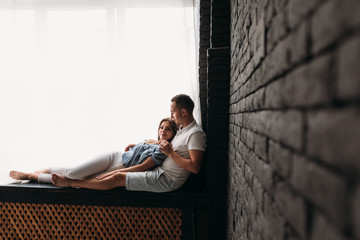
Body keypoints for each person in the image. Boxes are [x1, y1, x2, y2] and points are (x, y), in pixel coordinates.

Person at [52, 94, 207, 192]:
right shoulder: (182, 130)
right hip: (159, 171)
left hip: (167, 180)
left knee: (117, 177)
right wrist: (151, 142)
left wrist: (171, 153)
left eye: (173, 112)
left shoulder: (195, 134)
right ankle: (68, 180)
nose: (171, 116)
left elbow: (194, 167)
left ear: (184, 112)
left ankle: (71, 183)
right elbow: (167, 143)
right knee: (108, 174)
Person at [9, 118, 178, 184]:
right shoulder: (153, 141)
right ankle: (45, 170)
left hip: (119, 167)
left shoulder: (163, 151)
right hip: (115, 156)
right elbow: (135, 148)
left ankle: (33, 176)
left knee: (75, 178)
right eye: (161, 127)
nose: (163, 131)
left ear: (173, 134)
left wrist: (118, 173)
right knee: (74, 172)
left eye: (168, 129)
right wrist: (133, 146)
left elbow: (141, 168)